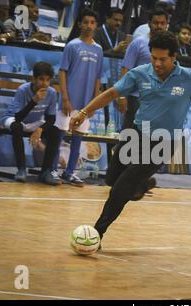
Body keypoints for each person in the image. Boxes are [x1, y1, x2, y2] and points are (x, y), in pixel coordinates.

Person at [69, 31, 191, 249]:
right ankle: (141, 184)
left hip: (162, 143)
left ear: (174, 57)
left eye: (163, 59)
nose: (157, 63)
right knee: (112, 178)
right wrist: (84, 112)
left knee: (120, 189)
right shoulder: (139, 74)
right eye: (154, 58)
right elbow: (111, 93)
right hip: (136, 135)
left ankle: (97, 233)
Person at [54, 8, 104, 187]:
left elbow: (98, 78)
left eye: (92, 22)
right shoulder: (72, 45)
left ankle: (69, 173)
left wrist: (94, 103)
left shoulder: (99, 50)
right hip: (68, 101)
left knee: (78, 137)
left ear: (96, 25)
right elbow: (62, 72)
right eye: (85, 22)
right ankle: (52, 171)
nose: (89, 25)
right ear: (79, 24)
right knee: (59, 135)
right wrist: (65, 97)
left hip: (85, 105)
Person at [1, 61, 61, 184]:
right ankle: (21, 169)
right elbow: (18, 117)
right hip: (14, 118)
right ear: (33, 79)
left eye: (48, 80)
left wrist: (40, 130)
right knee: (16, 127)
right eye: (41, 79)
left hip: (34, 122)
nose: (44, 83)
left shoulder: (52, 93)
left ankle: (45, 172)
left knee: (55, 131)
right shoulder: (22, 90)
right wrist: (34, 101)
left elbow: (51, 119)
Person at [118, 8, 169, 130]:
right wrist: (122, 96)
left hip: (158, 99)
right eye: (156, 23)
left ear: (167, 24)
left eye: (162, 23)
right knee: (129, 136)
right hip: (136, 97)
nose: (159, 26)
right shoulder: (138, 43)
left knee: (148, 138)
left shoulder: (169, 46)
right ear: (149, 23)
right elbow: (125, 69)